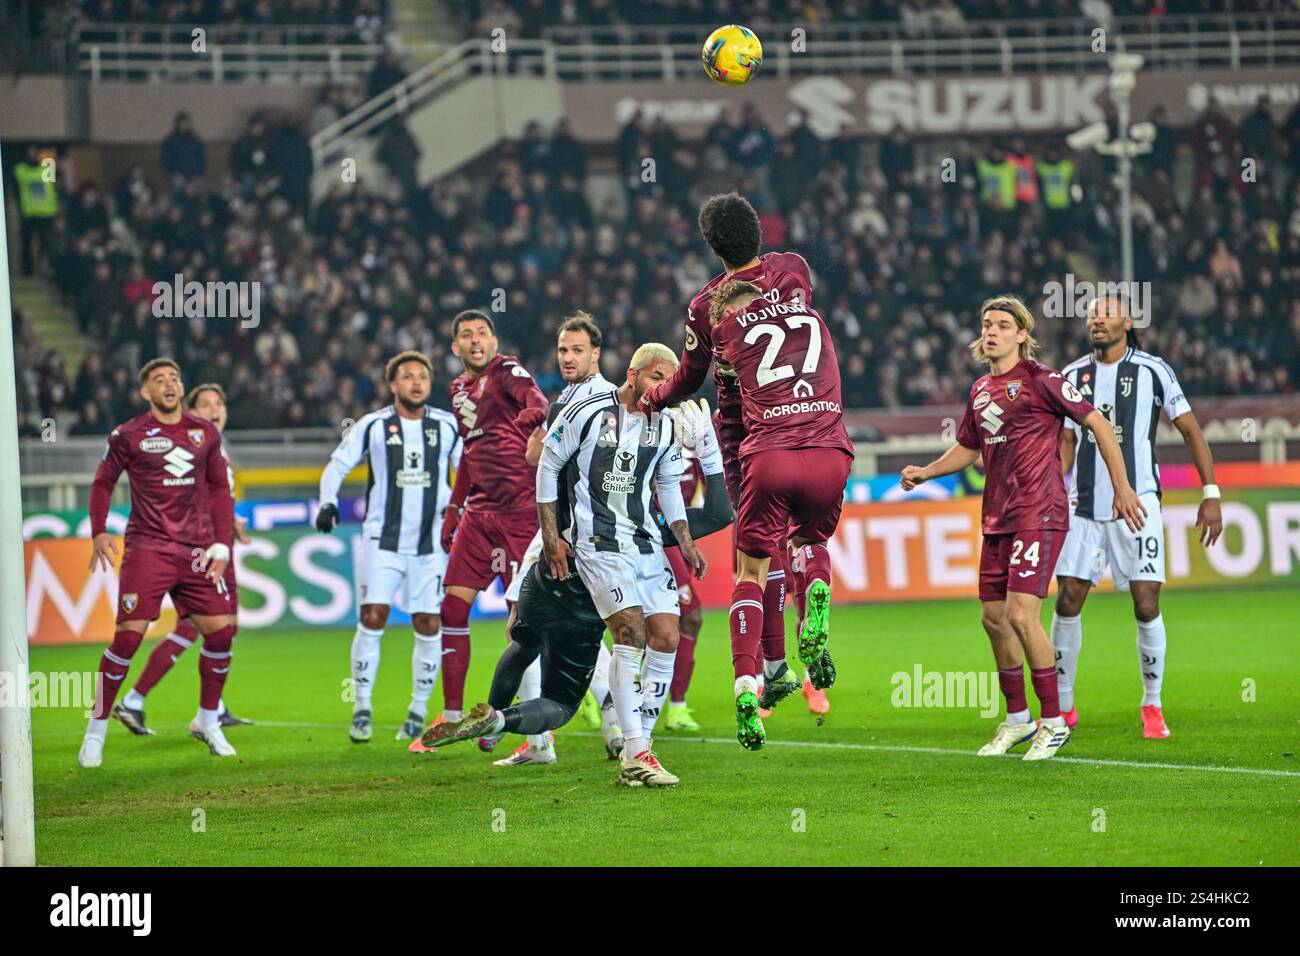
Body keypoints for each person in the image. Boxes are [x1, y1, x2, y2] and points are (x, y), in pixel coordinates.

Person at [425, 348, 715, 789]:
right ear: (633, 373)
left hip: (646, 545)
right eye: (657, 378)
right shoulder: (589, 409)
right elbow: (548, 464)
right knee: (629, 632)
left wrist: (687, 541)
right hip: (597, 544)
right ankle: (633, 750)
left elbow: (670, 486)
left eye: (670, 382)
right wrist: (552, 536)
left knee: (668, 636)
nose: (664, 389)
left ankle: (637, 741)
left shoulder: (666, 424)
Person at [900, 295, 1145, 761]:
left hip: (1040, 511)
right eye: (987, 324)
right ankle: (1017, 720)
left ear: (1022, 335)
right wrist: (926, 472)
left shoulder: (1042, 380)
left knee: (1020, 615)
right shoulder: (979, 391)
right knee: (993, 619)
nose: (991, 331)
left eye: (1003, 325)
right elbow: (968, 448)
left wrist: (1122, 487)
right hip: (997, 517)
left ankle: (1053, 722)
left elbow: (1099, 424)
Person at [638, 192, 832, 724]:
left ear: (712, 247)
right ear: (759, 230)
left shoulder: (705, 307)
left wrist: (652, 396)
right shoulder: (794, 269)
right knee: (805, 538)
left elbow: (686, 380)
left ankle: (765, 669)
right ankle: (798, 628)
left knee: (753, 562)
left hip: (754, 440)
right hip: (818, 426)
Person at [1052, 295, 1223, 739]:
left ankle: (1152, 705)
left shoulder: (1153, 370)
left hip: (1139, 504)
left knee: (1146, 604)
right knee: (1068, 598)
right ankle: (1063, 708)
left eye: (1106, 314)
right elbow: (1066, 441)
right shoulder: (1071, 376)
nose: (1097, 321)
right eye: (1091, 315)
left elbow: (1190, 430)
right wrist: (1053, 485)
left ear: (1127, 321)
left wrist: (1211, 493)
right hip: (1084, 506)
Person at [706, 280, 856, 750]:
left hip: (769, 456)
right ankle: (815, 590)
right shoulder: (815, 322)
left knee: (749, 572)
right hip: (830, 452)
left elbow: (728, 410)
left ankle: (748, 687)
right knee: (811, 543)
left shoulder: (728, 335)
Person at [471, 310, 619, 766]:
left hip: (573, 533)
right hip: (579, 532)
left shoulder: (598, 403)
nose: (568, 357)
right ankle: (610, 730)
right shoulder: (580, 401)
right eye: (562, 350)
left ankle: (523, 733)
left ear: (596, 354)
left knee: (534, 630)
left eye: (577, 350)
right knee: (583, 630)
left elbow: (541, 460)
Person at [78, 359, 236, 767]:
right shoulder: (129, 434)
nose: (169, 384)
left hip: (197, 551)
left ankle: (207, 720)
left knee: (221, 633)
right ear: (145, 392)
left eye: (174, 378)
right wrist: (98, 530)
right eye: (158, 380)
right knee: (128, 638)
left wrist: (222, 543)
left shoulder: (205, 433)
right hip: (149, 549)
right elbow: (102, 483)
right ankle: (96, 730)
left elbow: (219, 488)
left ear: (182, 388)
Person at [316, 351, 462, 743]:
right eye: (407, 376)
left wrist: (468, 510)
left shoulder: (448, 426)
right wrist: (328, 500)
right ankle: (362, 707)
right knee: (374, 615)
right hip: (382, 540)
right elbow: (337, 464)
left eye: (422, 376)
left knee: (428, 622)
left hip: (432, 543)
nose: (416, 382)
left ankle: (417, 711)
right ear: (393, 384)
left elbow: (470, 472)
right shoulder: (373, 425)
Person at [431, 311, 548, 735]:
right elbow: (468, 450)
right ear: (455, 347)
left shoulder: (506, 370)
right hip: (478, 517)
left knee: (522, 623)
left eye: (482, 333)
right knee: (451, 608)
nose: (476, 340)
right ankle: (449, 716)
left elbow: (536, 398)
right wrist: (452, 507)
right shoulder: (458, 388)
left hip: (520, 515)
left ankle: (529, 728)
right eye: (466, 335)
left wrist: (533, 414)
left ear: (494, 342)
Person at [114, 383, 252, 735]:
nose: (214, 409)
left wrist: (232, 524)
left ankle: (211, 709)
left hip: (220, 548)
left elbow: (216, 498)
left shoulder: (216, 450)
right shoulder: (192, 448)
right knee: (200, 628)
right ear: (191, 413)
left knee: (221, 630)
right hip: (199, 552)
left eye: (219, 403)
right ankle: (137, 700)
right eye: (205, 404)